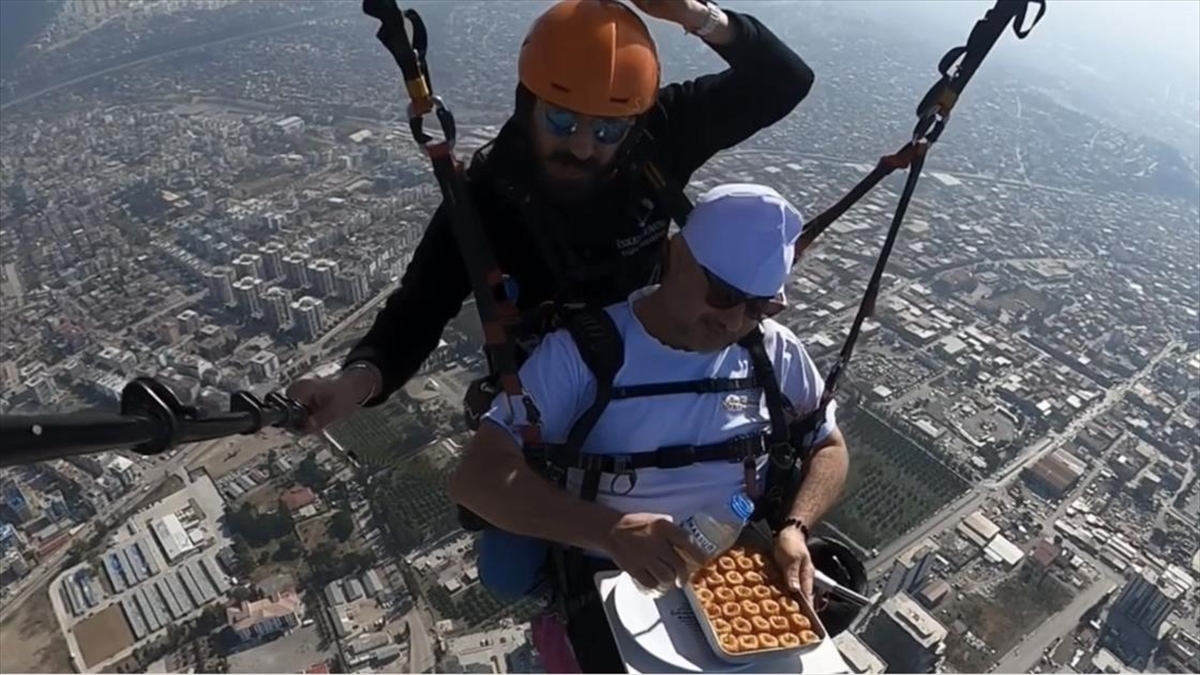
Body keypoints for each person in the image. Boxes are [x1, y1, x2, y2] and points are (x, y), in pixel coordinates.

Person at [288, 0, 815, 430]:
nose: (584, 146)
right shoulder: (487, 197)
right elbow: (420, 307)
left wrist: (696, 15)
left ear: (634, 123)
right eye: (561, 120)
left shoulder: (659, 136)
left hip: (664, 344)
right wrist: (353, 382)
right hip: (559, 383)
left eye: (608, 130)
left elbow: (784, 81)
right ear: (527, 103)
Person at [448, 183, 850, 672]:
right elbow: (477, 477)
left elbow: (827, 445)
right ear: (675, 255)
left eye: (760, 307)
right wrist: (610, 531)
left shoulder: (773, 352)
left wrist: (794, 527)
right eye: (723, 294)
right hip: (607, 575)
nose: (734, 321)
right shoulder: (585, 354)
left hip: (734, 568)